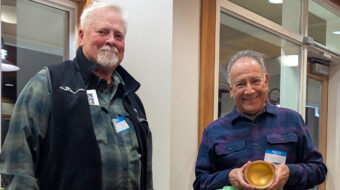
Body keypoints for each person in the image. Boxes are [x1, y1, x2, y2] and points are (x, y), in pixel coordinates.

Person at [0, 2, 153, 190]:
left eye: (118, 35)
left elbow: (145, 174)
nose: (111, 40)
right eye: (102, 32)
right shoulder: (49, 83)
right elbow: (16, 165)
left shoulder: (132, 100)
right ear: (82, 36)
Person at [193, 50, 327, 190]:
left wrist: (290, 172)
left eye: (255, 81)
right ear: (231, 89)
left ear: (266, 81)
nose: (249, 90)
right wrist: (228, 177)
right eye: (240, 84)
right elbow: (200, 183)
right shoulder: (213, 131)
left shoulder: (292, 120)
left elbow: (319, 171)